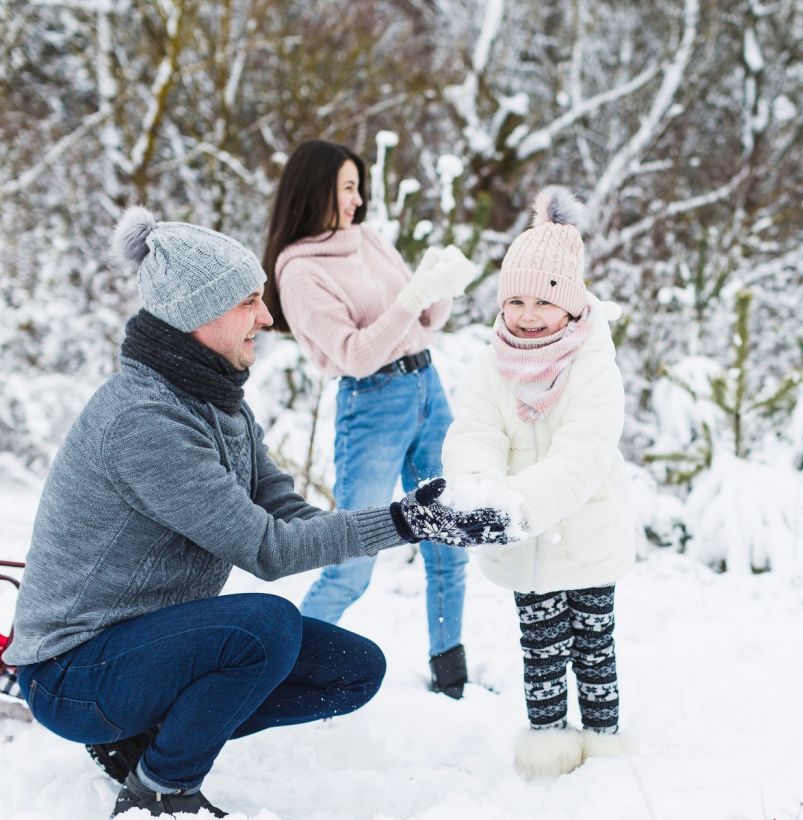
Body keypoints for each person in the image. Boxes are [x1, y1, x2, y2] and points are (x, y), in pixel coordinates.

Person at [1, 207, 509, 818]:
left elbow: (287, 514)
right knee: (263, 627)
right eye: (249, 302)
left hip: (143, 647)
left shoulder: (219, 404)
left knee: (353, 670)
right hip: (73, 674)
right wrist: (402, 522)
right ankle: (160, 787)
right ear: (197, 314)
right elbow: (267, 549)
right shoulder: (144, 422)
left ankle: (140, 742)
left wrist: (419, 516)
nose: (267, 318)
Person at [261, 140, 479, 697]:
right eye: (348, 188)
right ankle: (284, 673)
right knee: (352, 557)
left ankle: (450, 674)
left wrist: (441, 282)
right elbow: (355, 352)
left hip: (427, 386)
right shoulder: (300, 270)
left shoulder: (371, 240)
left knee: (450, 535)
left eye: (360, 187)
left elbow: (425, 317)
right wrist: (411, 299)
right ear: (316, 192)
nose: (359, 201)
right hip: (372, 401)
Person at [440, 186, 636, 778]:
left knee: (593, 646)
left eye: (544, 302)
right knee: (541, 649)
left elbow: (583, 454)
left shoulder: (594, 367)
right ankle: (548, 741)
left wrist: (519, 505)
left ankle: (603, 742)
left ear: (572, 305)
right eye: (515, 300)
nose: (527, 315)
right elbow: (475, 429)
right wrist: (481, 491)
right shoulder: (491, 363)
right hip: (523, 546)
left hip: (585, 535)